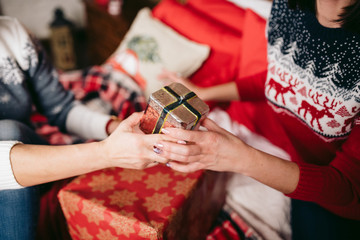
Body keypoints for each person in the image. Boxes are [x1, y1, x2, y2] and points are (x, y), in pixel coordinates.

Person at [156, 0, 360, 239]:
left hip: (334, 198)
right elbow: (282, 75)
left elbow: (348, 186)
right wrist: (205, 92)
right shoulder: (288, 7)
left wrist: (238, 157)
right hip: (292, 164)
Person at [0, 16, 174, 239]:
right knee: (8, 132)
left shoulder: (14, 34)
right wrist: (107, 153)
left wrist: (114, 127)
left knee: (10, 132)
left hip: (28, 156)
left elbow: (60, 108)